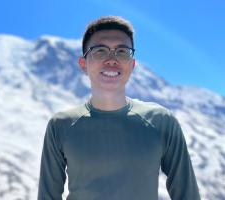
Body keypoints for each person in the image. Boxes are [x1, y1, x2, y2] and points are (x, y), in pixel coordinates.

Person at [37, 16, 201, 200]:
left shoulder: (161, 121)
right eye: (100, 51)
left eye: (122, 51)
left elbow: (188, 195)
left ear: (132, 64)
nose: (111, 59)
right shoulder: (61, 125)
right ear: (84, 64)